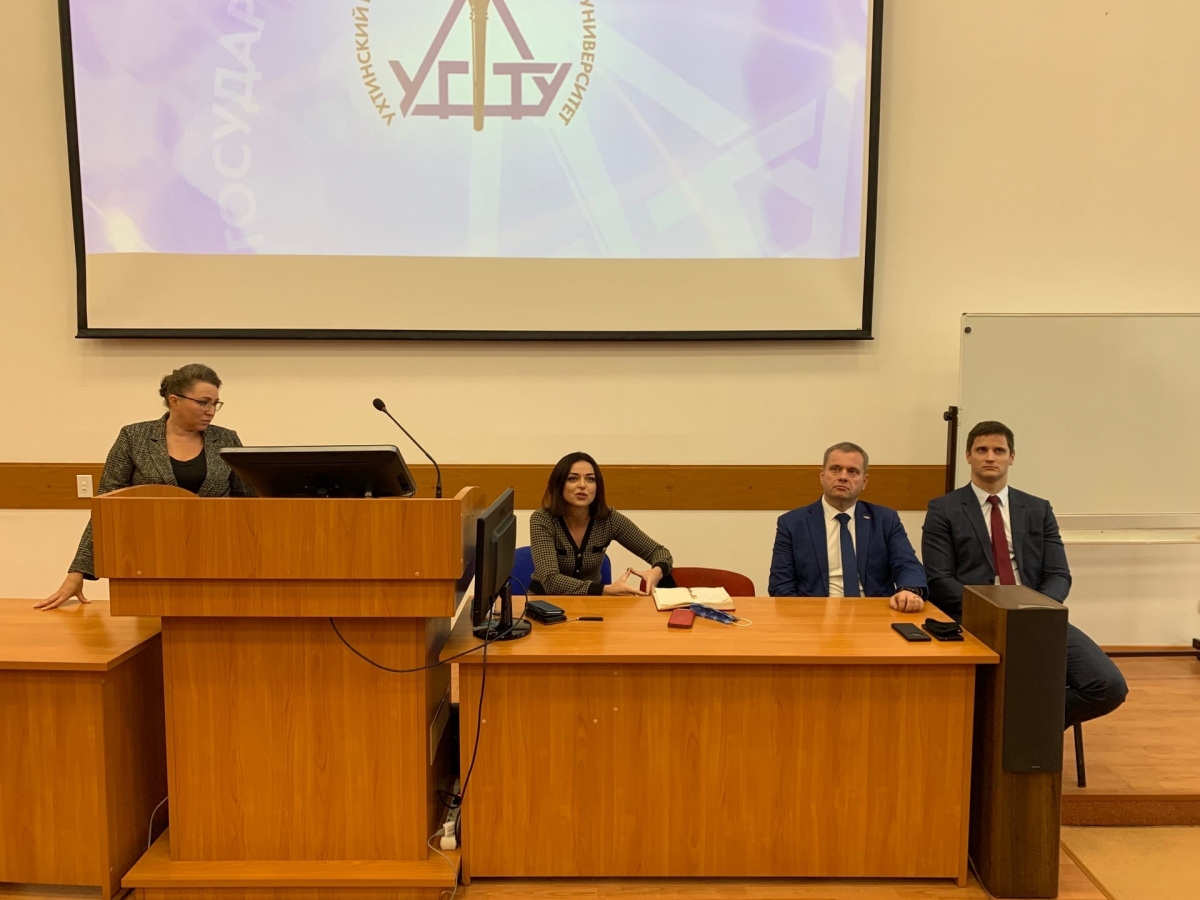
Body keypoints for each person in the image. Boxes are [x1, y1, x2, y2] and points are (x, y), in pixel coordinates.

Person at [922, 420, 1127, 728]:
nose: (990, 457)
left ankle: (1024, 726)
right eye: (981, 450)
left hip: (1036, 617)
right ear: (968, 456)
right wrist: (995, 613)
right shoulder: (943, 509)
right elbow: (939, 580)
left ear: (1012, 457)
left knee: (1107, 686)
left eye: (998, 451)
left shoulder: (1037, 509)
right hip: (974, 619)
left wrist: (1035, 611)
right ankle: (1004, 732)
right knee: (973, 693)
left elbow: (1058, 574)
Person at [37, 364, 254, 610]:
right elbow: (107, 508)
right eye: (203, 403)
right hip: (150, 560)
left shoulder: (226, 439)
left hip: (216, 558)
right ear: (174, 401)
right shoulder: (134, 437)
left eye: (215, 404)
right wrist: (77, 573)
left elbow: (249, 503)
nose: (211, 411)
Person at [768, 442, 927, 611]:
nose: (843, 477)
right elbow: (781, 585)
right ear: (822, 475)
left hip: (875, 614)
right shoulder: (792, 523)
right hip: (814, 615)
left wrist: (908, 591)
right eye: (835, 469)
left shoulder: (885, 520)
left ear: (864, 481)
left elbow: (907, 565)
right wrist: (807, 618)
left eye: (852, 471)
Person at [528, 452, 673, 596]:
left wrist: (657, 571)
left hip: (592, 602)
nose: (582, 485)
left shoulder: (609, 518)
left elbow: (660, 553)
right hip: (545, 600)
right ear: (559, 484)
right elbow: (551, 581)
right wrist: (604, 590)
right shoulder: (543, 519)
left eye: (590, 479)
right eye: (573, 478)